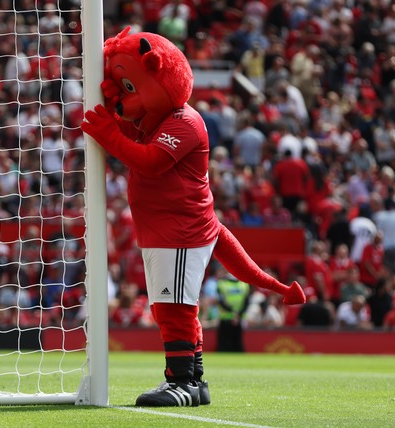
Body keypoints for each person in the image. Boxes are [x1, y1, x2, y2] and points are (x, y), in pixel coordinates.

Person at [81, 28, 304, 408]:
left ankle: (181, 380)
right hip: (164, 231)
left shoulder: (186, 122)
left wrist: (110, 136)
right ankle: (195, 381)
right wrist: (117, 115)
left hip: (181, 230)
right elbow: (134, 130)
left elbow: (150, 163)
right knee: (169, 306)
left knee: (174, 309)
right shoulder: (156, 120)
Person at [216, 273, 251, 352]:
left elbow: (221, 301)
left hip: (231, 317)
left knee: (233, 344)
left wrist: (234, 313)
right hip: (231, 318)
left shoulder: (222, 284)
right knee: (231, 344)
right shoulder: (244, 284)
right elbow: (246, 303)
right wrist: (237, 314)